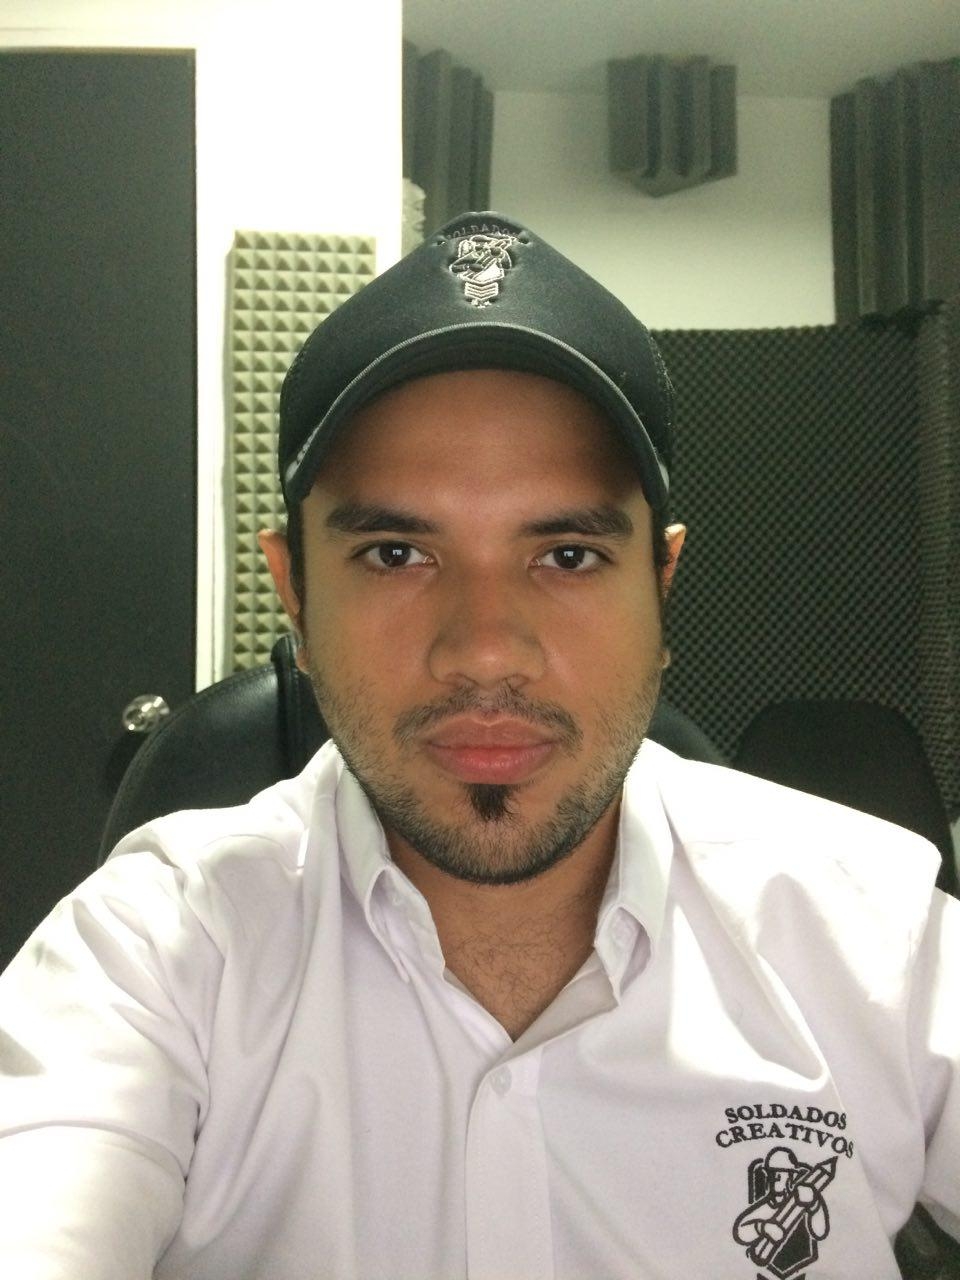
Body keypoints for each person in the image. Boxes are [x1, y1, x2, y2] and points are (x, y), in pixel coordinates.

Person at [0, 210, 957, 1280]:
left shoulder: (876, 936)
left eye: (569, 554)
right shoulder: (152, 954)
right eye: (396, 552)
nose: (487, 649)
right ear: (294, 594)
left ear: (662, 583)